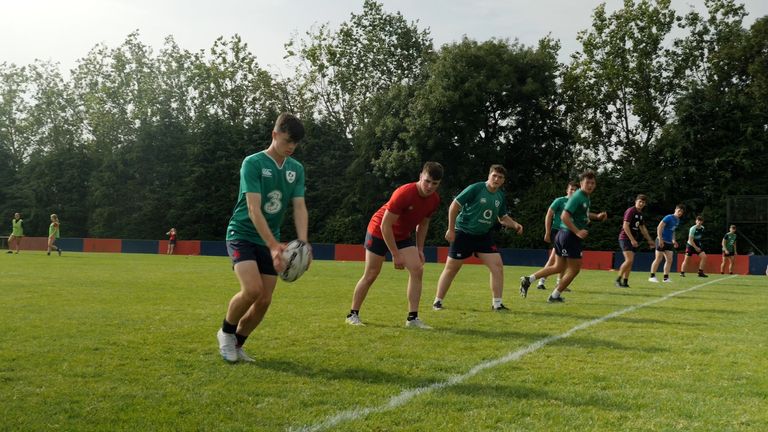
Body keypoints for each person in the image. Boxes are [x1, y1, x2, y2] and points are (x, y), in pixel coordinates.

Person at [216, 113, 310, 363]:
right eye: (287, 140)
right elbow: (253, 209)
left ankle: (237, 343)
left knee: (265, 300)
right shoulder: (253, 163)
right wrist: (273, 246)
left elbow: (299, 207)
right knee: (252, 289)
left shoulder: (296, 169)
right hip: (242, 234)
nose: (291, 147)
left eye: (295, 143)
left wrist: (302, 244)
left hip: (272, 239)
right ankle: (225, 333)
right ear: (275, 134)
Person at [345, 162, 444, 329]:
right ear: (421, 176)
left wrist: (420, 249)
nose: (429, 186)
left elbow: (423, 224)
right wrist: (395, 254)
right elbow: (385, 225)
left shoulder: (434, 200)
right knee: (371, 274)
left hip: (402, 235)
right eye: (427, 181)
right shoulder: (404, 193)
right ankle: (352, 314)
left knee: (417, 269)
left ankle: (412, 319)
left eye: (434, 184)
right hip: (378, 231)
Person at [432, 165, 523, 312]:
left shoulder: (500, 196)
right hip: (463, 233)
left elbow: (502, 218)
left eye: (500, 177)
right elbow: (454, 206)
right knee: (452, 268)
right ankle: (437, 301)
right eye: (494, 176)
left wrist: (515, 224)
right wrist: (450, 229)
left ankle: (497, 305)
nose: (497, 179)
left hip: (483, 236)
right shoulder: (476, 188)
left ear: (503, 180)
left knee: (497, 267)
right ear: (489, 176)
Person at [519, 170, 607, 303]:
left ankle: (528, 279)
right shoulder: (578, 196)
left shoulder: (585, 197)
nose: (590, 185)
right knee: (574, 269)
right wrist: (577, 231)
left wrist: (597, 217)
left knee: (559, 267)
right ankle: (554, 296)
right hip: (569, 236)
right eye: (587, 182)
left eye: (593, 183)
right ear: (581, 183)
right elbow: (564, 216)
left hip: (564, 235)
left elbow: (581, 215)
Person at [537, 182, 579, 291]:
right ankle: (541, 281)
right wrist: (547, 232)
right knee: (554, 258)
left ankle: (559, 284)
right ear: (567, 190)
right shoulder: (560, 201)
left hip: (568, 233)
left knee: (563, 259)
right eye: (571, 189)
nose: (573, 192)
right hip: (558, 231)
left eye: (575, 190)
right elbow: (549, 215)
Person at [615, 195, 654, 288]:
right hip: (625, 238)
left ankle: (625, 282)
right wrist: (632, 239)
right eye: (640, 201)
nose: (641, 204)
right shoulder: (631, 211)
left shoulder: (640, 214)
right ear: (636, 201)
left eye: (643, 202)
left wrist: (650, 240)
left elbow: (642, 228)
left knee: (630, 261)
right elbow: (625, 226)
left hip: (632, 240)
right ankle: (617, 280)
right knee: (629, 260)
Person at [648, 204, 686, 283]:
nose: (680, 213)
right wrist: (660, 239)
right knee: (658, 258)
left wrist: (674, 240)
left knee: (669, 259)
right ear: (675, 210)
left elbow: (673, 231)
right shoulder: (668, 217)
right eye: (679, 211)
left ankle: (665, 278)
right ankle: (652, 276)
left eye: (681, 212)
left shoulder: (677, 220)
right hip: (661, 240)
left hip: (669, 242)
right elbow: (659, 227)